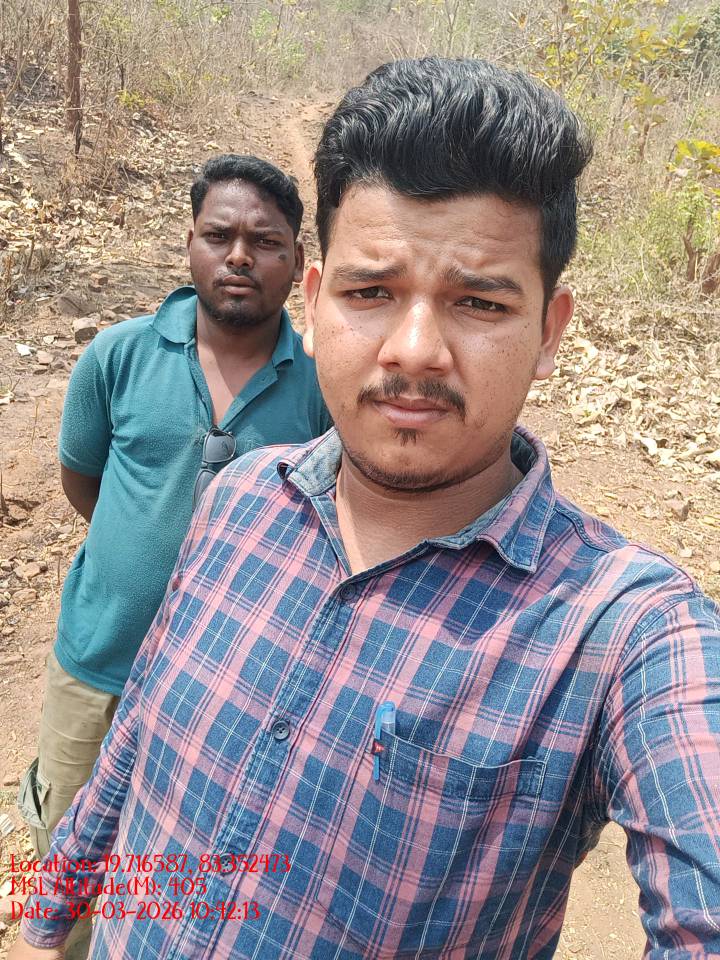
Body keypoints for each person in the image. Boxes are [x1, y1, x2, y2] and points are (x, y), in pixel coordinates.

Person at [10, 58, 720, 960]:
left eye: (478, 301)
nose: (415, 350)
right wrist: (45, 927)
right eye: (370, 292)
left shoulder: (623, 635)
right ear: (314, 306)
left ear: (548, 331)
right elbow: (134, 741)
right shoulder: (236, 503)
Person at [15, 154, 331, 958]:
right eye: (219, 236)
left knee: (187, 874)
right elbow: (84, 482)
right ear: (189, 242)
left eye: (265, 242)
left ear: (299, 260)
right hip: (98, 661)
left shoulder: (323, 387)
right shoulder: (117, 357)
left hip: (234, 689)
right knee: (67, 856)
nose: (239, 256)